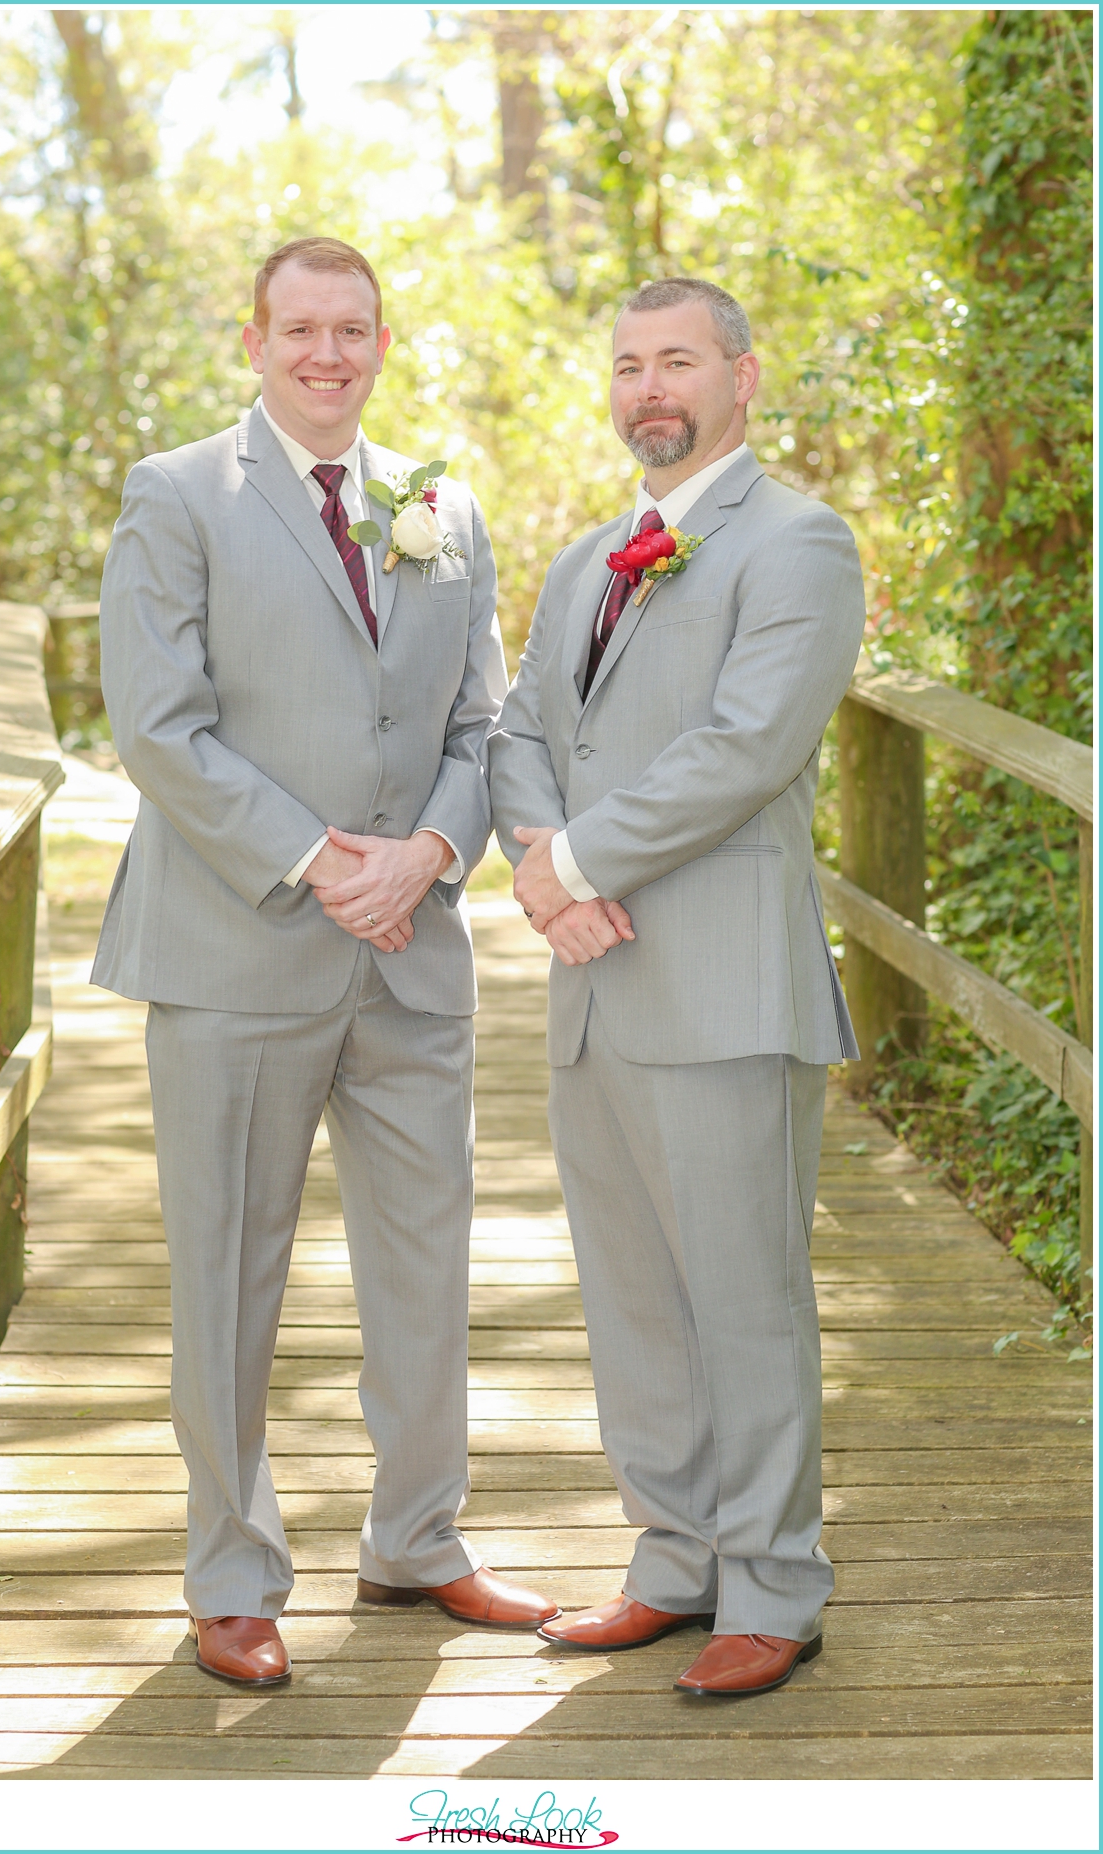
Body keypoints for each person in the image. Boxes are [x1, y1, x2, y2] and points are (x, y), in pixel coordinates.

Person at [94, 236, 557, 1688]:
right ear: (255, 340)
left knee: (425, 1260)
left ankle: (418, 1537)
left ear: (381, 341)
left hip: (413, 948)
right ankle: (231, 1571)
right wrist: (320, 858)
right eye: (300, 329)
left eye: (353, 330)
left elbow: (487, 730)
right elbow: (157, 724)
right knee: (229, 1273)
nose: (328, 355)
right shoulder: (179, 496)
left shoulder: (443, 506)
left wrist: (424, 855)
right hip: (239, 946)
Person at [489, 276, 865, 1698]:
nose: (653, 387)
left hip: (720, 984)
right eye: (631, 363)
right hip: (595, 989)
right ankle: (673, 1559)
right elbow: (521, 731)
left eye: (680, 361)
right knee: (633, 1294)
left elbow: (746, 744)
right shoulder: (589, 557)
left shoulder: (799, 544)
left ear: (743, 377)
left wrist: (570, 865)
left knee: (743, 1294)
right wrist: (546, 862)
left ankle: (774, 1583)